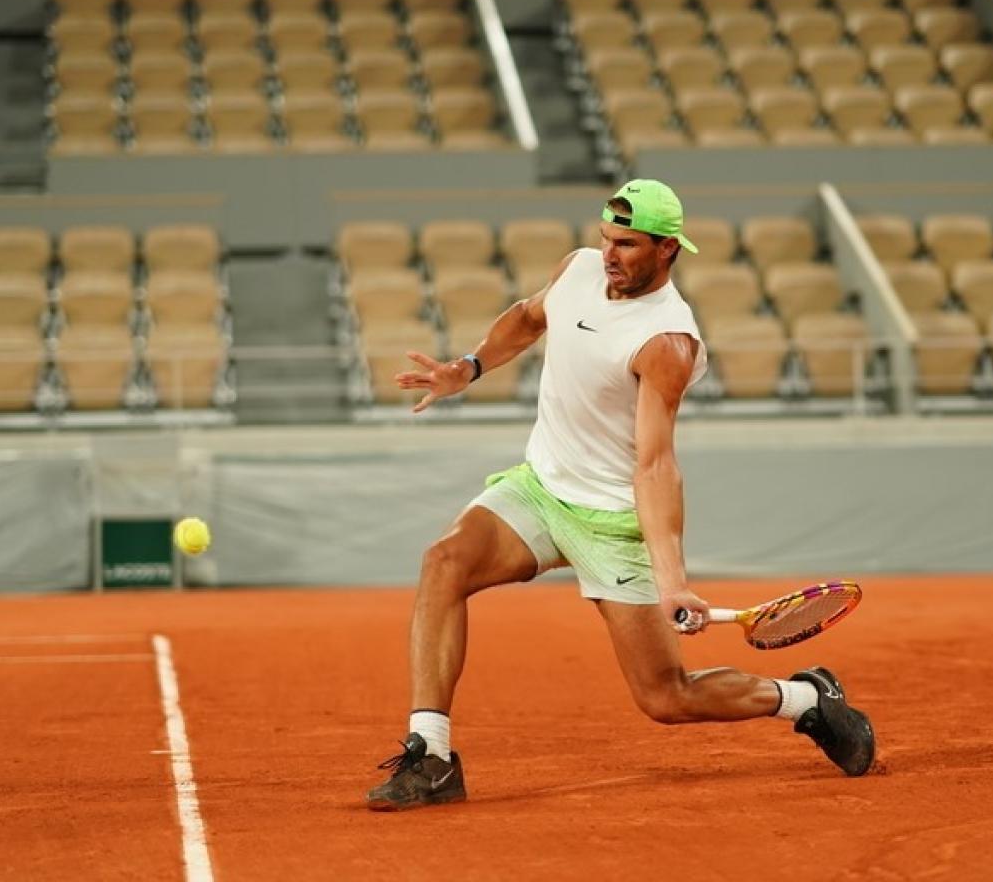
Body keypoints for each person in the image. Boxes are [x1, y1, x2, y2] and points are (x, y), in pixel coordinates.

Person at [366, 179, 876, 811]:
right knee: (443, 563)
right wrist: (467, 369)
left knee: (667, 698)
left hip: (611, 521)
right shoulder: (578, 269)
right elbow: (528, 318)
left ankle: (805, 699)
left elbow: (656, 464)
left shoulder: (666, 342)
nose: (609, 255)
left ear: (667, 250)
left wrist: (672, 580)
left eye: (627, 245)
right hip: (541, 487)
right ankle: (433, 756)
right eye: (606, 238)